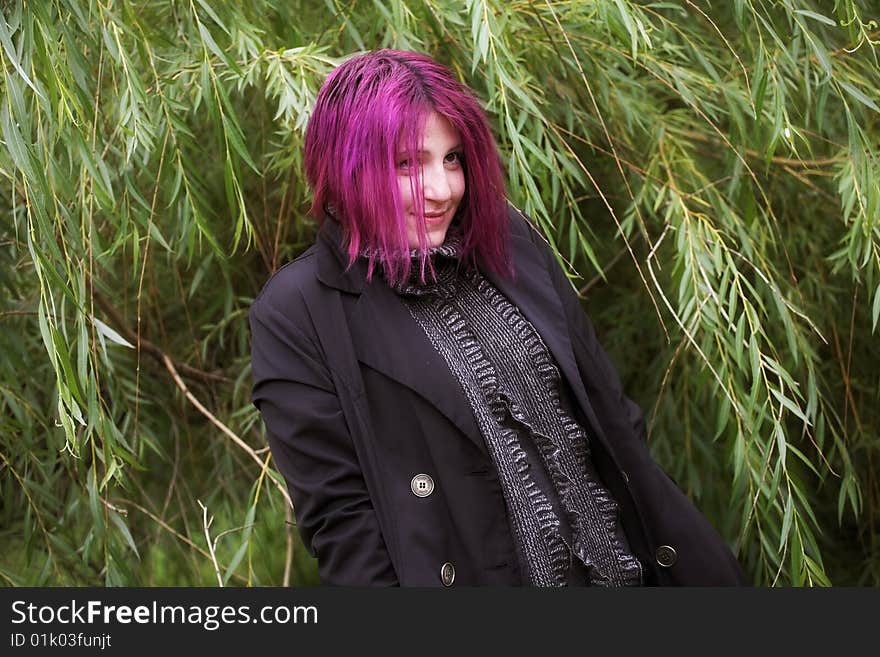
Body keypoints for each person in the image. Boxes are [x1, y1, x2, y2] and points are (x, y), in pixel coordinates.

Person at [249, 49, 746, 587]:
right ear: (346, 166)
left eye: (453, 158)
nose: (441, 190)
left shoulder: (508, 241)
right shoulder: (298, 312)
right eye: (407, 163)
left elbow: (609, 412)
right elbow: (344, 527)